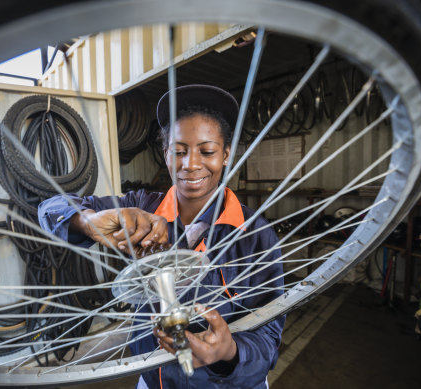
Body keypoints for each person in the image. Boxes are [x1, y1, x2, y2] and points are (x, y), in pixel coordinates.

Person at [38, 84, 284, 389]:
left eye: (207, 151)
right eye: (178, 151)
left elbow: (269, 341)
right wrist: (87, 221)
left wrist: (230, 352)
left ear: (225, 155)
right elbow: (49, 208)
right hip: (154, 380)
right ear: (165, 154)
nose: (191, 164)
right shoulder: (141, 207)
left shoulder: (255, 235)